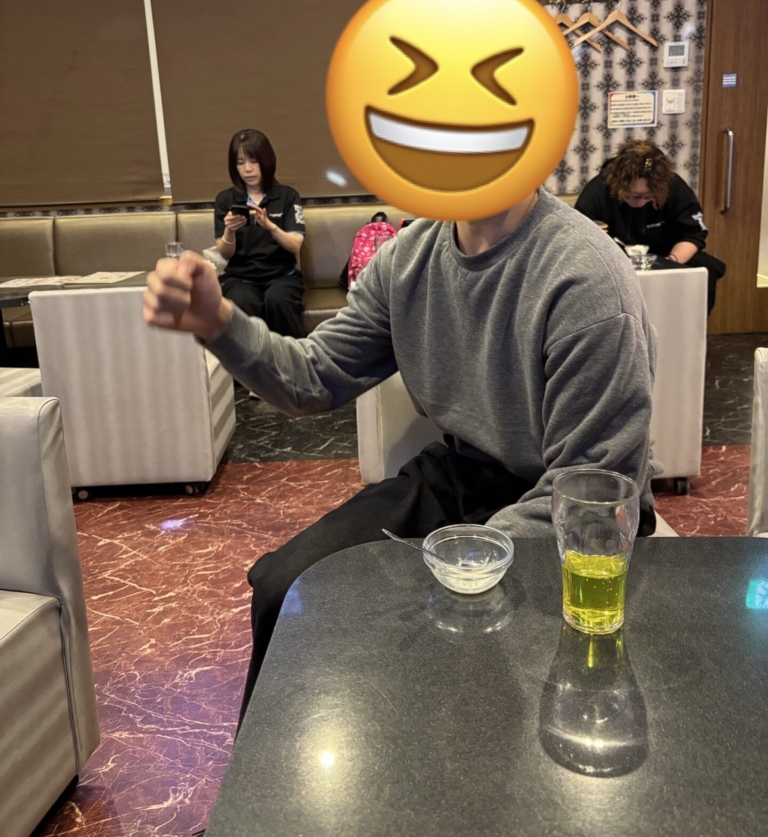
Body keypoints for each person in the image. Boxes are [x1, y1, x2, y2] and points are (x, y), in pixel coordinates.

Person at [144, 183, 659, 728]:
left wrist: (456, 567)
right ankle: (268, 780)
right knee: (288, 587)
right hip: (463, 474)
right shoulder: (409, 259)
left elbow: (595, 482)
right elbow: (313, 376)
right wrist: (219, 323)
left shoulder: (585, 277)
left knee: (422, 621)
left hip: (578, 510)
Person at [575, 139, 725, 314]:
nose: (640, 202)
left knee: (705, 267)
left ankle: (690, 324)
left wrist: (670, 263)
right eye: (632, 196)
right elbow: (581, 241)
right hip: (616, 262)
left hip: (665, 256)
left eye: (647, 196)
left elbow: (692, 233)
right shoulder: (597, 191)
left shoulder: (674, 187)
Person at [214, 129, 305, 339]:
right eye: (240, 162)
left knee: (278, 301)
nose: (247, 169)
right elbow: (225, 254)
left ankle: (291, 359)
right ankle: (247, 362)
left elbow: (295, 245)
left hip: (281, 275)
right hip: (240, 278)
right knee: (242, 303)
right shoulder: (226, 200)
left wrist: (270, 226)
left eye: (253, 161)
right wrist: (229, 230)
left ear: (266, 161)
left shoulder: (288, 196)